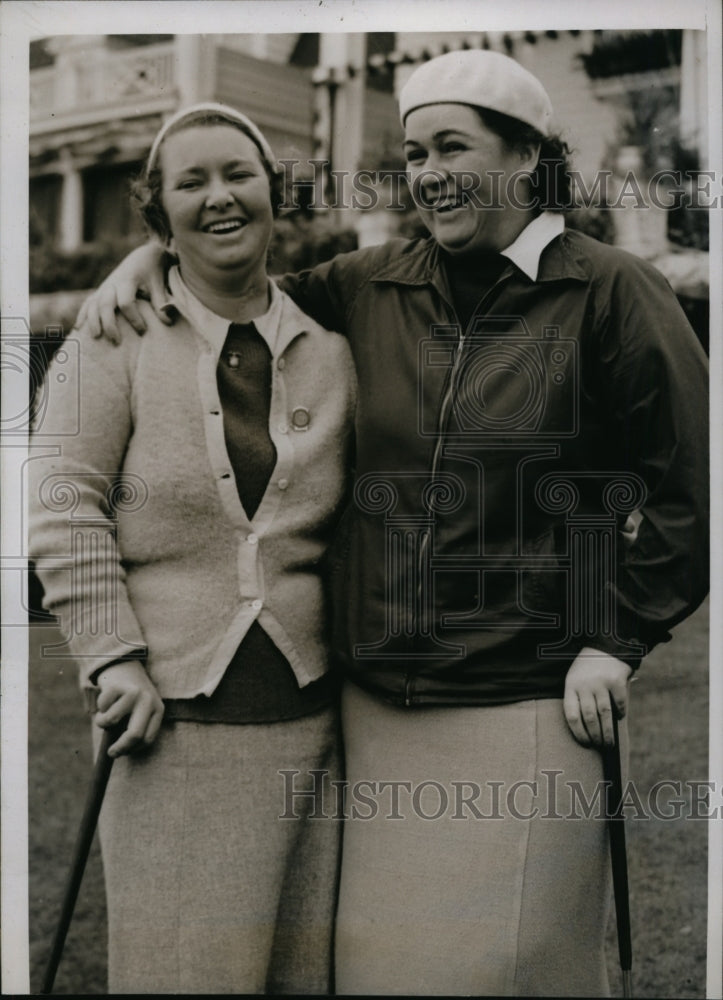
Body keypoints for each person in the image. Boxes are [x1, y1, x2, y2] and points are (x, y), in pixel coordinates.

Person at [77, 50, 709, 997]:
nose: (427, 173)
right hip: (375, 708)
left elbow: (689, 487)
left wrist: (613, 642)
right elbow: (235, 275)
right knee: (376, 973)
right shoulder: (370, 282)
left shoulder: (612, 292)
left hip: (526, 692)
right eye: (413, 153)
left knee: (489, 968)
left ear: (525, 155)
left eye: (452, 146)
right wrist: (151, 252)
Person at [29, 103, 356, 995]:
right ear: (158, 213)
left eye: (238, 174)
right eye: (192, 181)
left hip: (313, 725)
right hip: (170, 727)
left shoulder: (331, 345)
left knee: (300, 977)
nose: (220, 197)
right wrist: (113, 659)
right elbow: (61, 506)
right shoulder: (113, 340)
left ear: (274, 192)